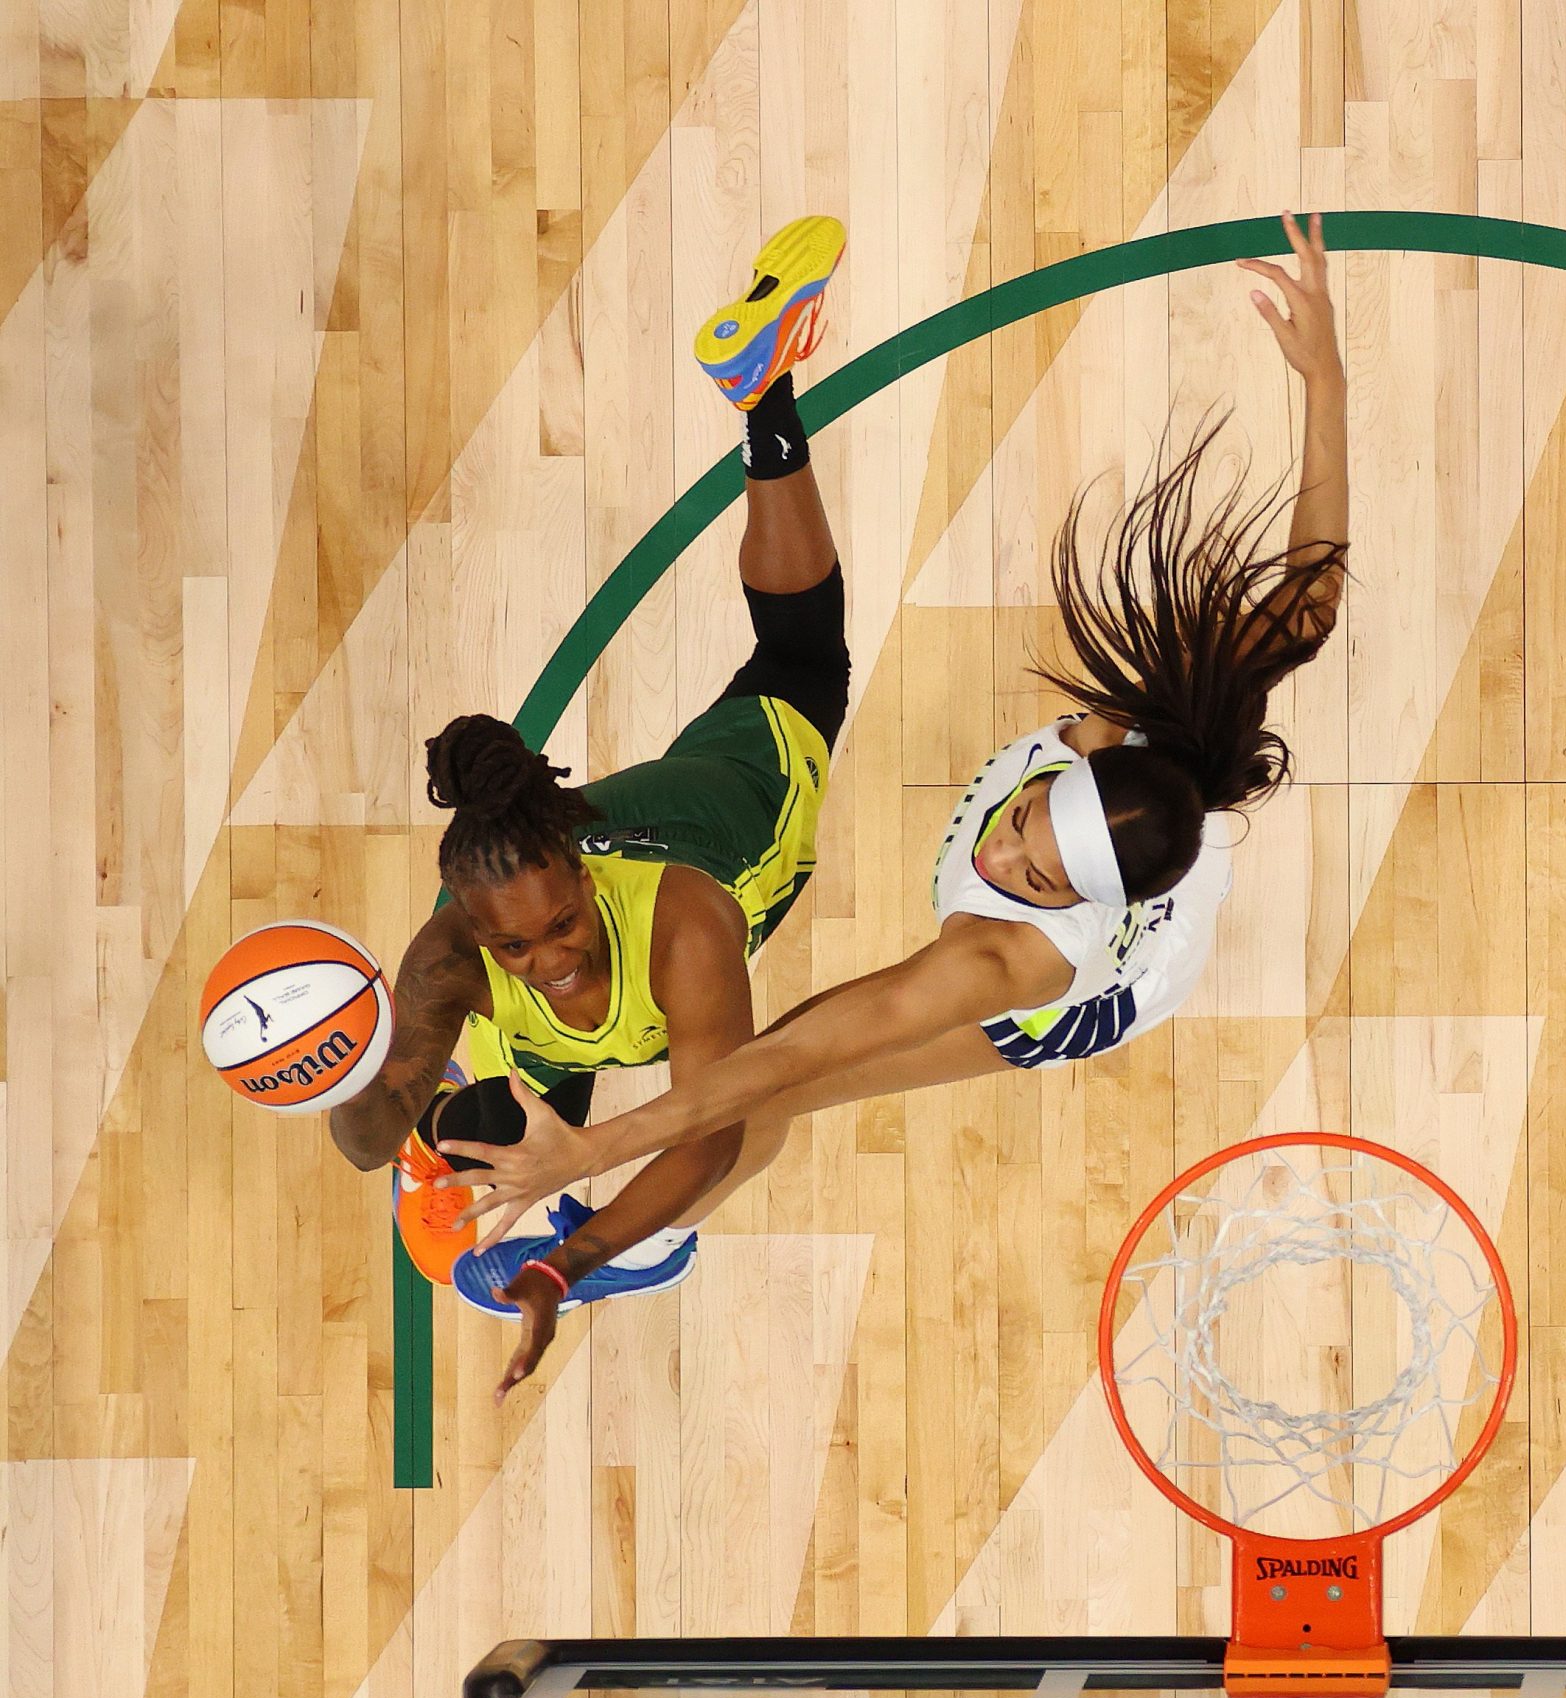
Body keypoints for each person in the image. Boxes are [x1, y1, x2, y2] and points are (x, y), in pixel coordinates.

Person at [441, 211, 1351, 1396]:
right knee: (762, 1053)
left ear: (1065, 899)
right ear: (1080, 766)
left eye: (1029, 872)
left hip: (1094, 1001)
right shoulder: (1145, 732)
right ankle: (767, 398)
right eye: (1025, 821)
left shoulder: (1006, 959)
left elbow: (778, 1065)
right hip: (1139, 844)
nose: (1004, 847)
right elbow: (1309, 607)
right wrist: (1325, 377)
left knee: (787, 1070)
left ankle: (642, 1240)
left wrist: (594, 1157)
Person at [330, 216, 854, 1391]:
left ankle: (764, 394)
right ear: (474, 929)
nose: (550, 954)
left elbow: (713, 1123)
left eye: (562, 925)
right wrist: (351, 1074)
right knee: (489, 1138)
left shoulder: (686, 930)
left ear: (578, 874)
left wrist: (577, 1258)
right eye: (516, 942)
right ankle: (497, 1164)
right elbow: (364, 1144)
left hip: (733, 796)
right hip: (587, 837)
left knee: (804, 657)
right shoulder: (453, 956)